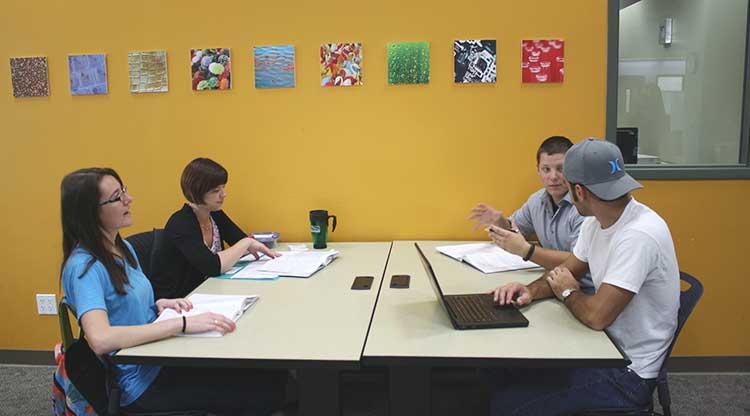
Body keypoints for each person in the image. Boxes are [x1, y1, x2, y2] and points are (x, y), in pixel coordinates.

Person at [60, 167, 286, 414]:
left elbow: (123, 307)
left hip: (161, 355)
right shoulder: (84, 268)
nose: (129, 199)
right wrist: (182, 324)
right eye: (117, 197)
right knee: (264, 392)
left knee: (270, 376)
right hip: (139, 384)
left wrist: (158, 305)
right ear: (90, 213)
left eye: (124, 190)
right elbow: (101, 339)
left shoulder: (120, 247)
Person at [486, 138, 680, 415]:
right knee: (499, 370)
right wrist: (531, 290)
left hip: (626, 372)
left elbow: (596, 316)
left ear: (578, 190)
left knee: (507, 406)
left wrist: (568, 292)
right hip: (598, 347)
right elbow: (568, 270)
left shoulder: (638, 235)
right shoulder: (597, 222)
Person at [469, 136, 593, 292]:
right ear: (538, 170)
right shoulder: (537, 200)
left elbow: (580, 262)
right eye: (546, 169)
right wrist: (499, 221)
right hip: (553, 285)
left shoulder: (585, 207)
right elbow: (516, 232)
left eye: (561, 169)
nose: (553, 177)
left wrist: (527, 250)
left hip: (584, 290)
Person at [151, 158, 277, 299]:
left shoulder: (215, 213)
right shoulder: (180, 223)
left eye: (223, 187)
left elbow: (240, 241)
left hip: (211, 290)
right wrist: (246, 243)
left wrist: (247, 244)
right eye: (215, 190)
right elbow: (213, 267)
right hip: (181, 299)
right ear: (196, 192)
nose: (223, 194)